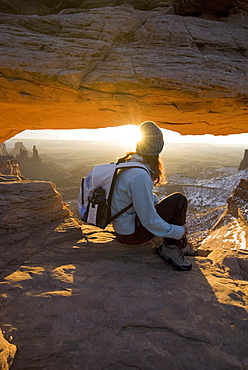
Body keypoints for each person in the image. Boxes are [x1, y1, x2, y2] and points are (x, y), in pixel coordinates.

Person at [111, 121, 192, 271]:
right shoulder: (140, 176)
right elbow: (149, 221)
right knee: (179, 201)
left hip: (123, 228)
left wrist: (163, 211)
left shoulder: (129, 164)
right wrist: (179, 231)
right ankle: (170, 248)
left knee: (171, 203)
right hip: (131, 236)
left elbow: (144, 199)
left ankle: (183, 245)